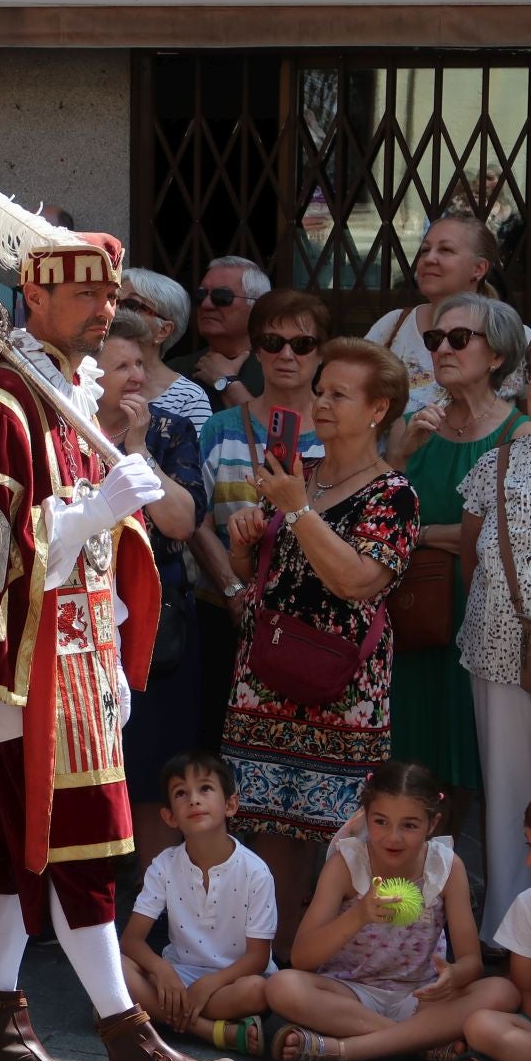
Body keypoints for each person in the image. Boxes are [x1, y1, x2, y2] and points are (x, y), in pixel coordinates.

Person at [0, 192, 240, 1061]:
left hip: (74, 655)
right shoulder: (0, 402)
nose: (105, 312)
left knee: (23, 847)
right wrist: (94, 512)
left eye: (110, 296)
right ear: (34, 297)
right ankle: (128, 1040)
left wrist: (114, 638)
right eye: (84, 296)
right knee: (73, 849)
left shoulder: (65, 395)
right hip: (14, 663)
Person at [219, 338, 418, 959]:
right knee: (268, 827)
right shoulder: (295, 476)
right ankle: (267, 961)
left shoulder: (394, 495)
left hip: (343, 689)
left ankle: (331, 963)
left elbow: (357, 581)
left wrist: (297, 510)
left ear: (377, 409)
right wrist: (243, 540)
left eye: (339, 394)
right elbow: (264, 570)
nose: (322, 403)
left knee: (340, 833)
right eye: (321, 390)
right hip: (266, 676)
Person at [265, 760, 518, 1061]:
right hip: (350, 995)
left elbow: (471, 962)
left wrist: (455, 975)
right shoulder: (347, 864)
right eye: (381, 822)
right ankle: (419, 1043)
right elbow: (302, 957)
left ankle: (345, 1048)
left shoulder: (447, 867)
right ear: (366, 816)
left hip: (420, 998)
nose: (393, 837)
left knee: (502, 990)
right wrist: (359, 915)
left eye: (409, 825)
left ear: (432, 824)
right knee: (282, 986)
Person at [384, 294, 529, 807]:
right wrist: (398, 456)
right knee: (412, 757)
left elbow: (501, 537)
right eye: (434, 339)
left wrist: (421, 533)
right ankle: (412, 882)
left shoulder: (521, 434)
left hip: (480, 613)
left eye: (459, 338)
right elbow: (379, 514)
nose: (442, 348)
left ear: (496, 356)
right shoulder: (416, 425)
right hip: (413, 611)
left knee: (477, 759)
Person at [190, 288, 330, 754]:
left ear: (321, 352)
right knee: (218, 745)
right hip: (223, 616)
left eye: (302, 344)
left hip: (314, 622)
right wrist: (233, 588)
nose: (286, 355)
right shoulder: (220, 427)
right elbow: (196, 521)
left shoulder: (341, 430)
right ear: (257, 350)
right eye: (272, 343)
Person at [96, 309, 203, 857]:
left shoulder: (169, 430)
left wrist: (137, 451)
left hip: (156, 625)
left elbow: (182, 523)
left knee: (155, 772)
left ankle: (152, 909)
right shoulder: (61, 428)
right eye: (121, 366)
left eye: (140, 363)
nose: (136, 375)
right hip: (82, 622)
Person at [457, 330, 531, 945]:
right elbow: (472, 561)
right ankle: (512, 941)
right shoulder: (494, 463)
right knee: (510, 797)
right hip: (499, 651)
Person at [120, 752, 275, 1057]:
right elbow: (131, 940)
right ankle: (212, 1032)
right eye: (181, 793)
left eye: (205, 789)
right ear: (169, 817)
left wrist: (210, 984)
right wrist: (162, 971)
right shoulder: (164, 865)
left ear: (230, 805)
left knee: (260, 992)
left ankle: (145, 1015)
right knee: (113, 967)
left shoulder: (255, 872)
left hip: (234, 981)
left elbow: (258, 957)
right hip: (178, 976)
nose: (193, 800)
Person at [368, 213, 531, 410]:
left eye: (446, 250)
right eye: (425, 250)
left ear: (478, 268)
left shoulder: (514, 336)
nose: (429, 258)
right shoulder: (393, 325)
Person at [453, 791, 531, 1061]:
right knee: (480, 1026)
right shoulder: (529, 905)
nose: (530, 860)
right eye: (529, 845)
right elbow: (526, 991)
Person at [168, 256, 269, 413]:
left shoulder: (278, 368)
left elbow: (272, 435)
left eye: (222, 297)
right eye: (201, 295)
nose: (206, 305)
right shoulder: (175, 371)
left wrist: (226, 382)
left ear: (258, 306)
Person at [119, 268, 211, 431]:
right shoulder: (88, 376)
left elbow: (191, 457)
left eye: (130, 305)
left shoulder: (188, 397)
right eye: (113, 301)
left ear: (163, 331)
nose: (115, 312)